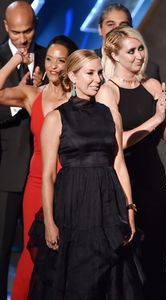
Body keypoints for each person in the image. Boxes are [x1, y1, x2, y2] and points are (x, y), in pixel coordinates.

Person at [26, 49, 143, 299]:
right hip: (72, 206)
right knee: (74, 280)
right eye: (90, 73)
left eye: (100, 72)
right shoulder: (56, 118)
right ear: (73, 76)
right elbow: (48, 175)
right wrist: (49, 222)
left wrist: (129, 210)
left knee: (109, 279)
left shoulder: (110, 115)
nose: (97, 79)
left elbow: (119, 164)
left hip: (107, 206)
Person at [97, 25, 166, 300]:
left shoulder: (152, 84)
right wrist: (154, 118)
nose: (138, 56)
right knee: (127, 261)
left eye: (140, 48)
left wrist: (165, 111)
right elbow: (115, 142)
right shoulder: (108, 92)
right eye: (131, 51)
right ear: (114, 55)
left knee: (155, 259)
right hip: (123, 182)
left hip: (153, 181)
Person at [0, 35, 78, 300]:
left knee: (64, 255)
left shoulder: (80, 99)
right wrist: (15, 60)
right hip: (36, 183)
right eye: (49, 59)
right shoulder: (33, 95)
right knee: (31, 252)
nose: (54, 66)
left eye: (61, 60)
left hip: (69, 183)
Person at [0, 2, 45, 298]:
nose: (22, 38)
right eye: (16, 32)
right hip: (6, 173)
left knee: (40, 252)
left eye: (27, 30)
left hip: (42, 173)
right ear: (6, 28)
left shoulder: (50, 57)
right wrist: (23, 101)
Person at [95, 3, 160, 81]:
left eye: (123, 25)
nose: (117, 29)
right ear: (100, 29)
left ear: (131, 30)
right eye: (110, 24)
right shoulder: (86, 61)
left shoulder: (150, 69)